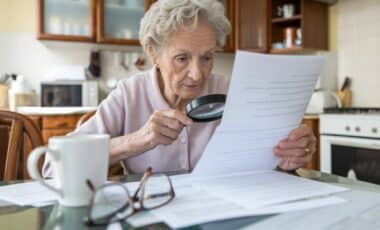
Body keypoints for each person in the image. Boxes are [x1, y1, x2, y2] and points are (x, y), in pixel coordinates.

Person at [43, 0, 316, 177]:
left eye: (207, 57)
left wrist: (287, 156)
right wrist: (138, 140)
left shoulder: (230, 92)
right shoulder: (129, 95)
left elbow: (263, 161)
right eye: (182, 58)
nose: (197, 74)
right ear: (153, 53)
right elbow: (51, 167)